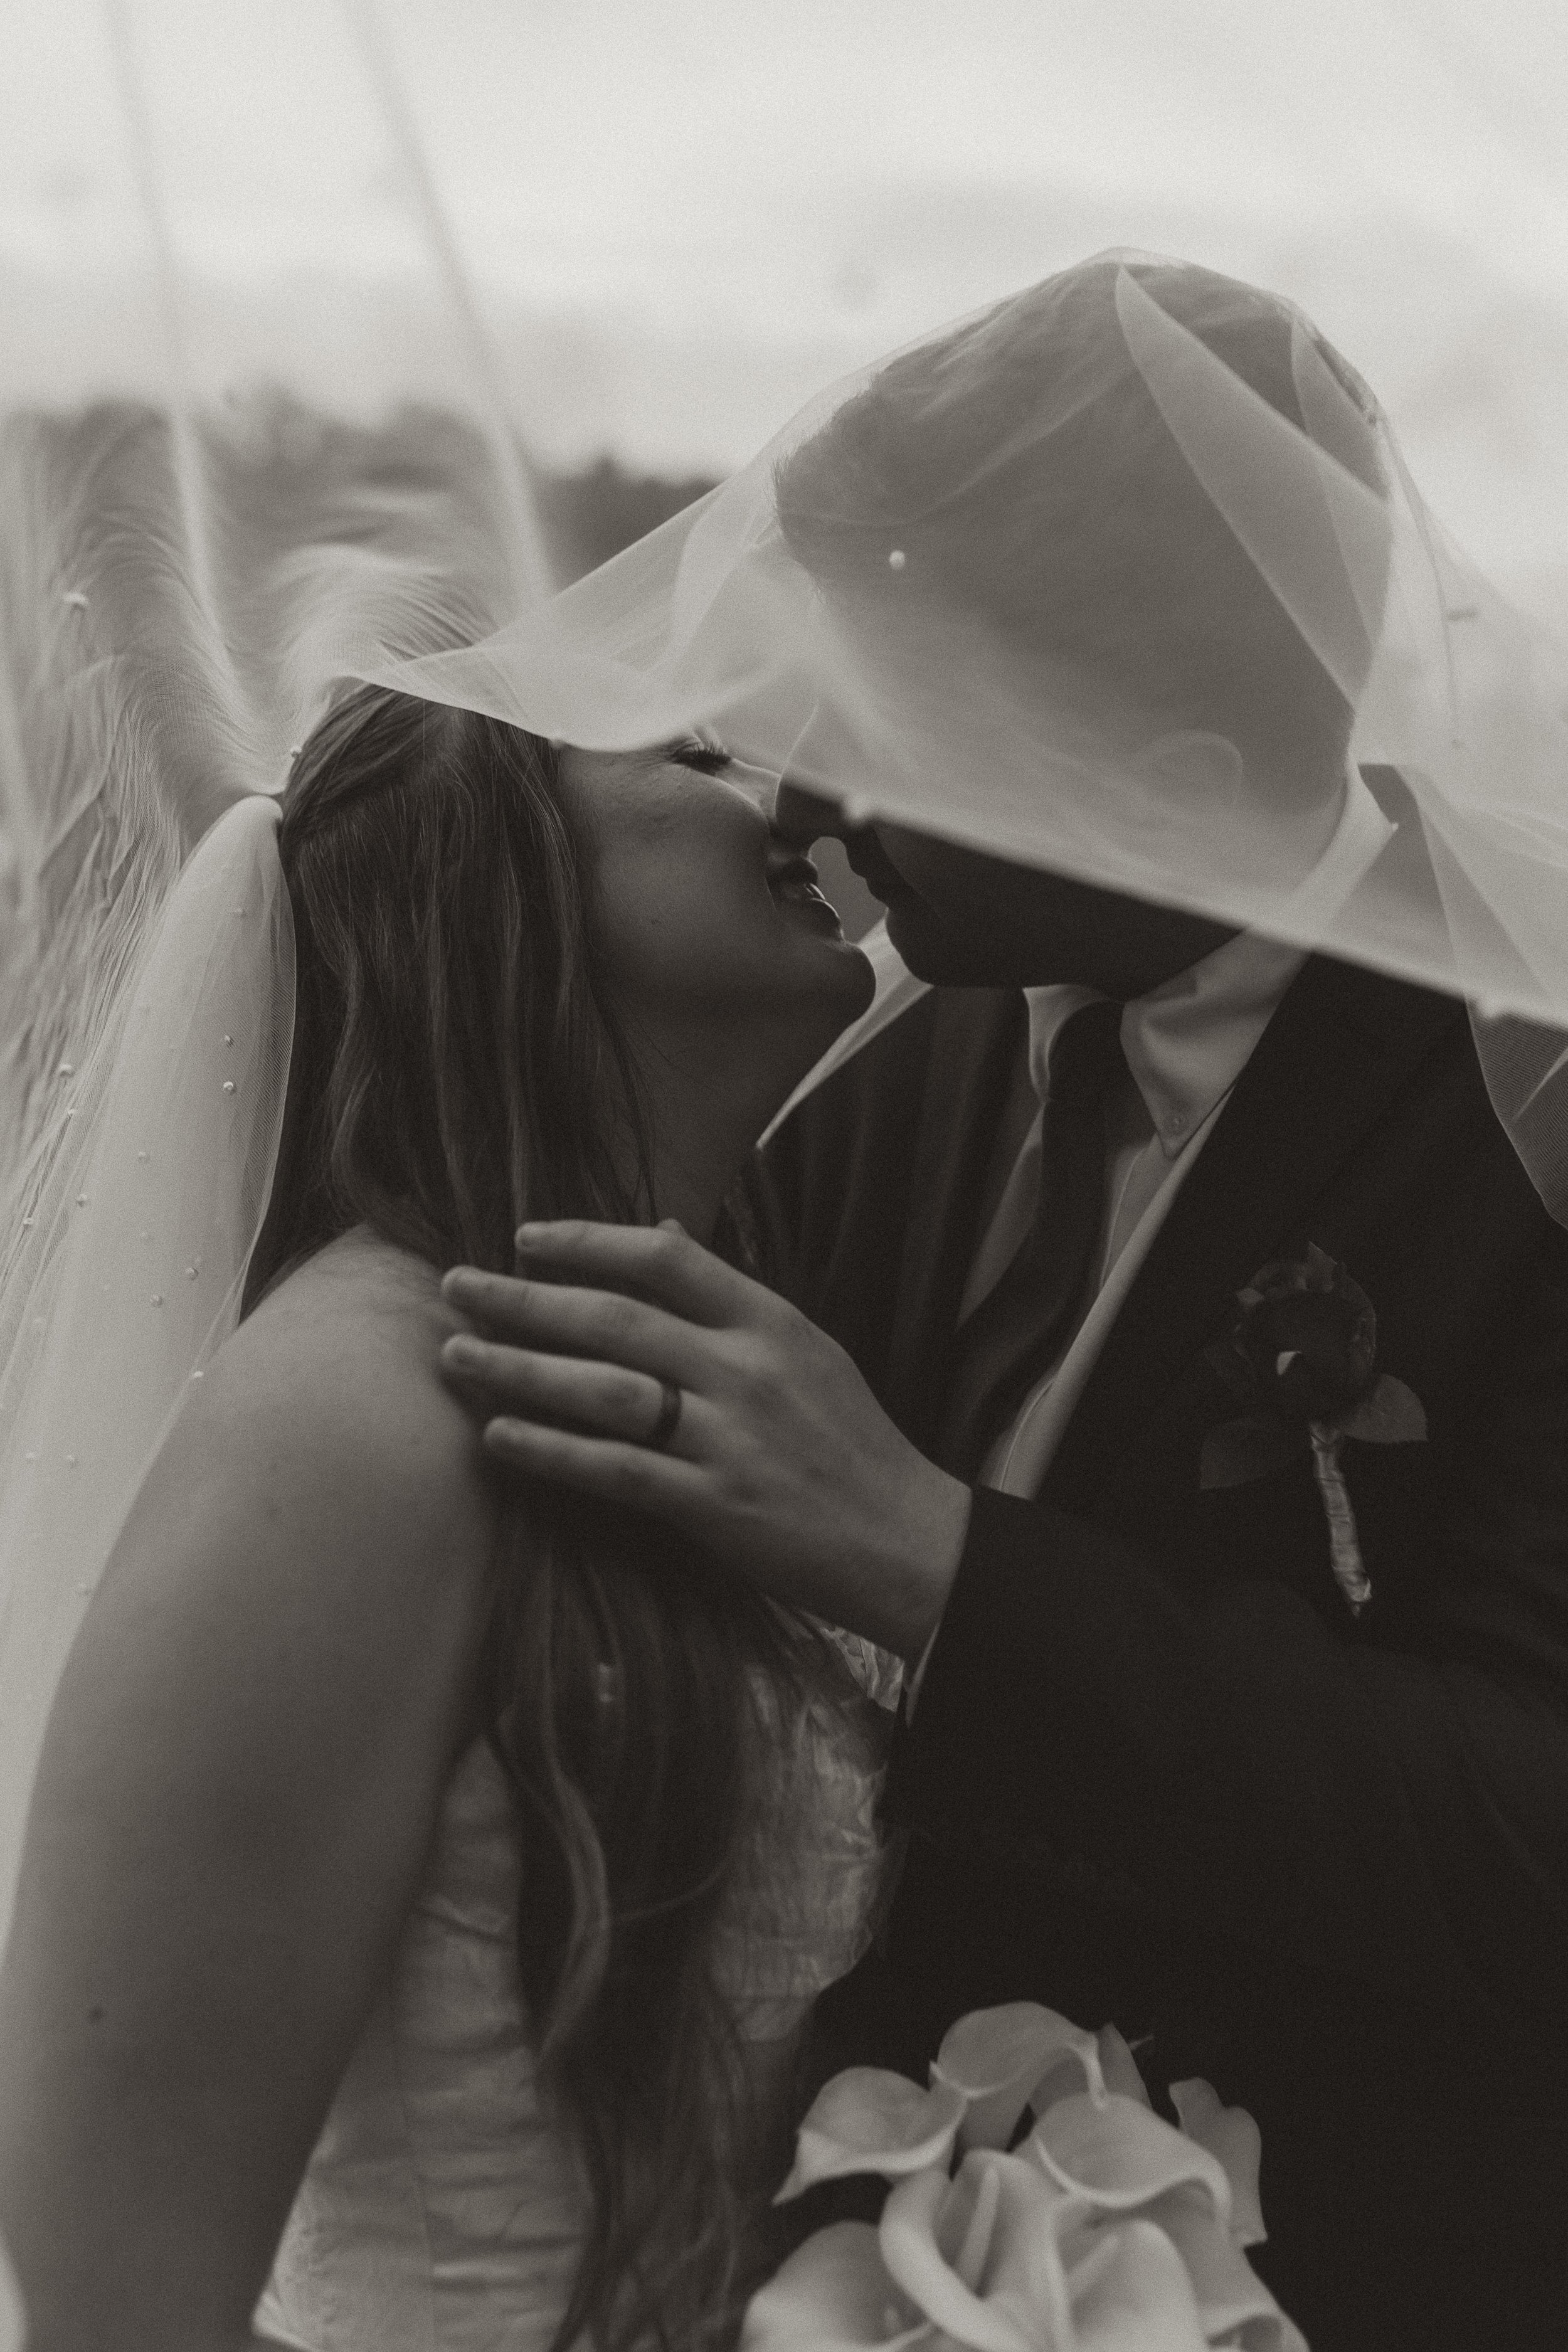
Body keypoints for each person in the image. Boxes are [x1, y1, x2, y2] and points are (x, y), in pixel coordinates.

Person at [435, 262, 1568, 2352]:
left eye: (906, 729)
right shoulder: (887, 1038)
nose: (803, 798)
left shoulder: (1536, 1123)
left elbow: (1527, 1836)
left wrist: (936, 1560)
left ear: (1171, 770)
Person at [0, 684, 894, 2352]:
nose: (788, 795)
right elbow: (112, 2304)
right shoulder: (351, 1423)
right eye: (694, 757)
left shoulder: (692, 1383)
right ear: (505, 878)